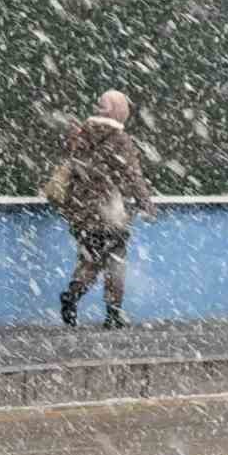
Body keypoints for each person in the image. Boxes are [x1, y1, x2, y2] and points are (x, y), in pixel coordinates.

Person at [58, 90, 156, 329]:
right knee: (115, 260)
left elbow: (73, 168)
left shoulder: (81, 134)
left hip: (81, 211)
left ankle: (72, 294)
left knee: (90, 259)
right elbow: (132, 175)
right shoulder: (120, 140)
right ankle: (113, 313)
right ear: (118, 111)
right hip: (109, 210)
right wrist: (146, 203)